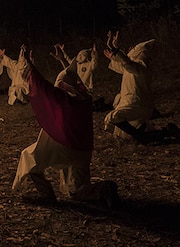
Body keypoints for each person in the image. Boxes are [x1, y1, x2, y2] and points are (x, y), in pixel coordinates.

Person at [12, 46, 119, 207]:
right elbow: (69, 78)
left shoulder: (65, 100)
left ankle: (46, 194)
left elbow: (44, 87)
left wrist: (30, 66)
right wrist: (63, 61)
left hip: (67, 146)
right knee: (78, 190)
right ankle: (103, 189)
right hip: (83, 151)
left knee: (29, 157)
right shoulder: (84, 98)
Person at [102, 31, 180, 144]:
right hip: (135, 105)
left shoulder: (140, 68)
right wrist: (115, 52)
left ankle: (143, 136)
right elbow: (123, 65)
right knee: (125, 137)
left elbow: (127, 63)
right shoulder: (135, 68)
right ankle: (167, 132)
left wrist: (116, 51)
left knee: (112, 117)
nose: (129, 51)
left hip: (138, 106)